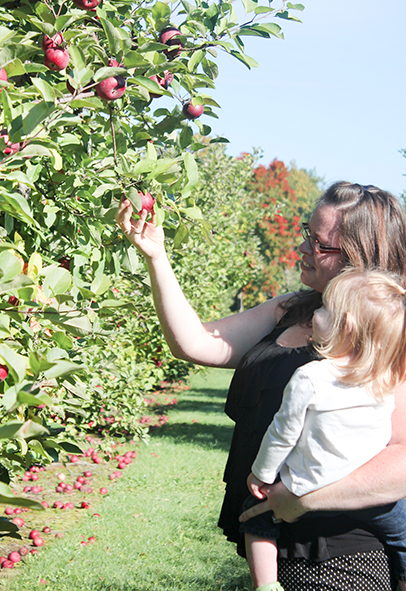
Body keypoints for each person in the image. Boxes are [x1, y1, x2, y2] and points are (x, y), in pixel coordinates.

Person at [116, 181, 406, 589]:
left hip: (339, 552)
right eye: (308, 233)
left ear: (360, 258)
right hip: (271, 541)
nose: (303, 249)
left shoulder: (387, 339)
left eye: (321, 245)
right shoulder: (291, 309)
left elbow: (402, 459)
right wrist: (157, 257)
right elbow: (196, 343)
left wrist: (303, 499)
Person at [241, 269, 406, 591]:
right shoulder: (386, 379)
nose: (315, 313)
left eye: (323, 307)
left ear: (345, 324)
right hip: (369, 496)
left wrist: (261, 474)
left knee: (254, 518)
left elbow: (282, 433)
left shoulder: (311, 377)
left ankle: (267, 584)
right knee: (402, 534)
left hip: (309, 483)